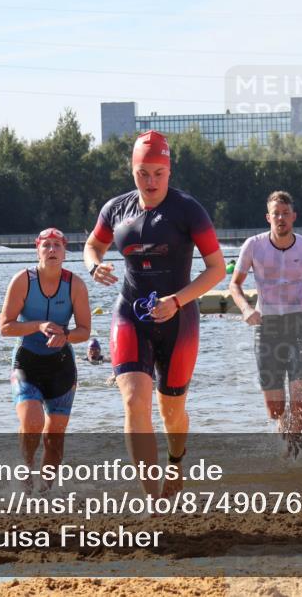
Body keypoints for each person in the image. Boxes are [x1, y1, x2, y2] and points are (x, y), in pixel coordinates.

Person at [85, 130, 225, 499]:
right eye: (142, 173)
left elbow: (216, 269)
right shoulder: (116, 209)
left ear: (169, 172)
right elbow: (92, 245)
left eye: (158, 174)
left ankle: (176, 461)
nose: (150, 182)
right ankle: (151, 501)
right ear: (132, 170)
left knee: (171, 413)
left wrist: (177, 301)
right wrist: (93, 265)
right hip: (130, 314)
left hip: (178, 319)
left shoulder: (188, 210)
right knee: (133, 401)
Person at [229, 190, 302, 457]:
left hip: (299, 325)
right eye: (276, 213)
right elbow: (235, 284)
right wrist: (246, 309)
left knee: (299, 402)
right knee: (276, 409)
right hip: (267, 328)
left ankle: (294, 461)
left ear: (293, 216)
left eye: (286, 213)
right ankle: (286, 438)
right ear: (268, 217)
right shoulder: (253, 245)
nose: (281, 218)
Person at [0, 228, 92, 490]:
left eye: (57, 246)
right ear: (37, 250)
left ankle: (45, 492)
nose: (52, 250)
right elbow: (5, 327)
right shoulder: (23, 280)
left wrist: (65, 335)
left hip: (61, 365)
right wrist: (38, 325)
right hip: (27, 361)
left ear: (65, 252)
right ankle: (25, 471)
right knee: (32, 422)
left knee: (55, 435)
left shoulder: (75, 285)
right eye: (46, 246)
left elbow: (84, 331)